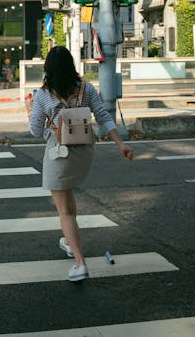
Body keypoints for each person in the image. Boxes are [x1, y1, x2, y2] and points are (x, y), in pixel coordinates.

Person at [28, 46, 133, 282]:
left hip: (59, 154)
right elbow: (104, 117)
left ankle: (80, 263)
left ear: (48, 70)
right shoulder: (86, 89)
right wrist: (120, 144)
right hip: (85, 151)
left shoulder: (43, 95)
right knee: (69, 202)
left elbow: (35, 131)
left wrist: (30, 112)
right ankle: (68, 240)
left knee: (64, 211)